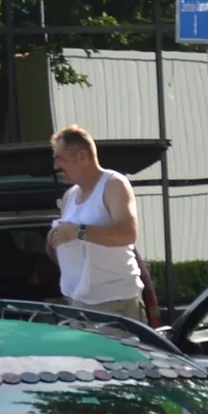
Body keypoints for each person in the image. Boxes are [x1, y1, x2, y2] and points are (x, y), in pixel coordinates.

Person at [45, 125, 147, 320]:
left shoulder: (114, 184)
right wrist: (54, 241)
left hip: (115, 304)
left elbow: (128, 234)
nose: (56, 166)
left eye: (60, 158)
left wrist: (78, 232)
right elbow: (72, 247)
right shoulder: (69, 196)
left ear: (83, 156)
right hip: (78, 303)